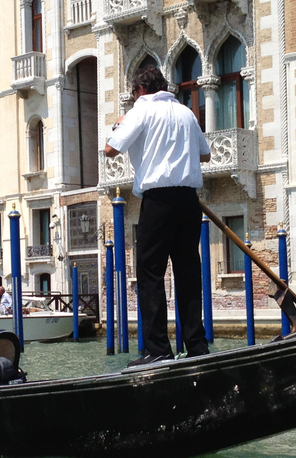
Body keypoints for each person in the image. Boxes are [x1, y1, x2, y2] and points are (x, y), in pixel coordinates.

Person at [105, 65, 211, 366]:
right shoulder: (186, 113)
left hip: (158, 201)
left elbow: (110, 149)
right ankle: (197, 346)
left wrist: (120, 122)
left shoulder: (141, 110)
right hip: (189, 201)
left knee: (150, 273)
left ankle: (159, 350)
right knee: (188, 272)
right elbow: (205, 155)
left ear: (139, 90)